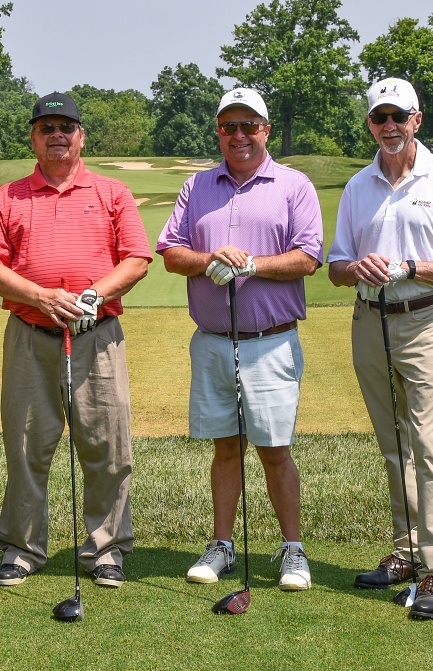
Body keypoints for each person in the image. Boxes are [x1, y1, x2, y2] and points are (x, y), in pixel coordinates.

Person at [0, 92, 151, 588]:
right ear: (33, 137)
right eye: (46, 127)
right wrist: (41, 296)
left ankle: (107, 550)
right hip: (31, 336)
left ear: (81, 137)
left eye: (65, 127)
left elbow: (136, 257)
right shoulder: (8, 197)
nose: (57, 135)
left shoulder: (112, 193)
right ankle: (22, 549)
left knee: (108, 446)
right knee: (27, 445)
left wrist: (94, 295)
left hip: (98, 336)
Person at [327, 77, 433, 619]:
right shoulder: (357, 186)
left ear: (417, 120)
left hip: (424, 319)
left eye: (399, 116)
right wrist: (358, 268)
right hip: (369, 319)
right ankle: (406, 552)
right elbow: (335, 267)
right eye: (379, 118)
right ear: (370, 124)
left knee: (428, 445)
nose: (389, 126)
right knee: (393, 442)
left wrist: (411, 267)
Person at [157, 88, 323, 591]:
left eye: (249, 125)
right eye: (229, 126)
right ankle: (222, 545)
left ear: (266, 130)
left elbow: (308, 257)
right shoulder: (198, 186)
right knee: (225, 448)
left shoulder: (293, 185)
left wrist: (251, 264)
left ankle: (293, 550)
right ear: (219, 132)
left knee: (274, 449)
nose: (239, 135)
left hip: (270, 342)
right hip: (212, 340)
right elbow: (169, 252)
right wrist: (212, 260)